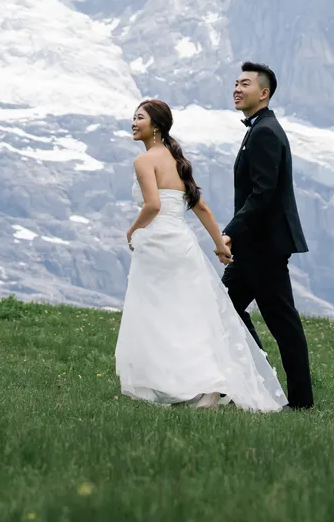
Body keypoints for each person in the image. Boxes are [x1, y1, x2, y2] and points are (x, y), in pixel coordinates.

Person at [114, 98, 286, 411]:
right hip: (182, 244)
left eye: (139, 118)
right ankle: (207, 383)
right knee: (187, 314)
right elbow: (200, 206)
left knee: (158, 314)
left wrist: (132, 230)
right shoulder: (177, 161)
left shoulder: (145, 161)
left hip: (157, 244)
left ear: (156, 125)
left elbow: (152, 206)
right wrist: (219, 244)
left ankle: (177, 381)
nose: (133, 122)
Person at [221, 63, 314, 409]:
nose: (236, 88)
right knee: (226, 307)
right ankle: (256, 379)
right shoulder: (259, 129)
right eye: (235, 83)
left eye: (244, 83)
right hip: (253, 246)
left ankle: (300, 402)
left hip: (262, 247)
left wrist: (229, 233)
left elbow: (262, 193)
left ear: (264, 93)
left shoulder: (264, 132)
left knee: (283, 323)